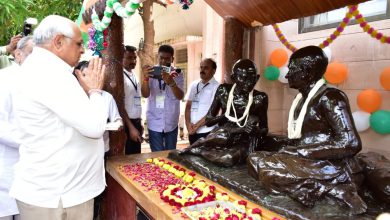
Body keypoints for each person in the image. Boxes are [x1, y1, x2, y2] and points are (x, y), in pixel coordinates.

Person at [10, 15, 108, 220]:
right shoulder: (47, 72)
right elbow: (94, 126)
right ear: (58, 42)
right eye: (79, 44)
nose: (83, 50)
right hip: (57, 197)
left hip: (60, 193)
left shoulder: (49, 69)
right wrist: (95, 91)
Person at [247, 46, 366, 214]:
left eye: (292, 69)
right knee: (254, 159)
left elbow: (350, 142)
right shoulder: (300, 100)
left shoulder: (330, 97)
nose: (287, 75)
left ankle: (335, 189)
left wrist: (302, 152)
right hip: (304, 160)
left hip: (328, 164)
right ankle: (318, 190)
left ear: (307, 72)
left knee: (268, 173)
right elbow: (300, 136)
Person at [180, 59, 268, 167]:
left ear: (257, 78)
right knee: (219, 136)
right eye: (243, 78)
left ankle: (199, 151)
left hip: (244, 138)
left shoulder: (260, 98)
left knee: (228, 159)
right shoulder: (223, 90)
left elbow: (264, 128)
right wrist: (225, 116)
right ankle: (195, 148)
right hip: (225, 133)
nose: (248, 82)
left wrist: (257, 131)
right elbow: (209, 121)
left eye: (252, 78)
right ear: (233, 78)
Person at [0, 36, 33, 220]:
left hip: (32, 173)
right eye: (32, 54)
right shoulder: (4, 79)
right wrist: (31, 142)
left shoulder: (41, 82)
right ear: (18, 55)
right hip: (5, 169)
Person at [141, 44, 184, 152]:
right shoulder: (151, 72)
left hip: (171, 123)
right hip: (154, 122)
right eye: (161, 58)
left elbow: (180, 96)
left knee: (170, 155)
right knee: (157, 156)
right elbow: (145, 94)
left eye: (167, 59)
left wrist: (171, 83)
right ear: (157, 57)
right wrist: (145, 79)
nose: (164, 61)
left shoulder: (177, 74)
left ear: (172, 59)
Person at [185, 58, 220, 145]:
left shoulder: (218, 87)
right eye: (201, 67)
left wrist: (196, 126)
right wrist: (188, 125)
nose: (202, 70)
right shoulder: (194, 85)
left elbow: (213, 111)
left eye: (206, 68)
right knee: (191, 157)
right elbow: (188, 106)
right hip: (192, 130)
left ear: (214, 71)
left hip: (207, 131)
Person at [122, 45, 143, 154]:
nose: (133, 61)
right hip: (127, 124)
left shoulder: (133, 74)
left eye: (135, 58)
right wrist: (131, 128)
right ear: (122, 58)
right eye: (129, 58)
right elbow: (120, 104)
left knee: (136, 157)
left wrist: (139, 123)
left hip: (136, 122)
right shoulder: (120, 76)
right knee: (129, 159)